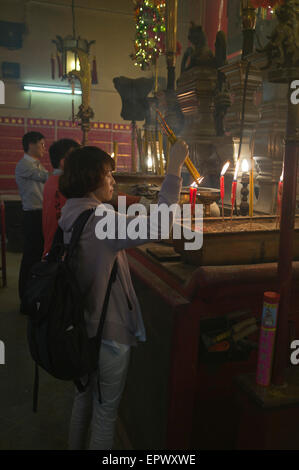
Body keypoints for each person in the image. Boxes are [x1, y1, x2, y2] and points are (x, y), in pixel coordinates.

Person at [58, 140, 188, 450]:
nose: (113, 181)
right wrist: (173, 170)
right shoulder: (101, 221)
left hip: (81, 328)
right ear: (92, 178)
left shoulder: (72, 214)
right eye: (108, 174)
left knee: (83, 399)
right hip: (107, 332)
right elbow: (159, 226)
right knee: (106, 415)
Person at [15, 131, 48, 313]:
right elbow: (47, 178)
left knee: (36, 257)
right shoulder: (25, 165)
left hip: (39, 214)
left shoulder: (36, 164)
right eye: (42, 144)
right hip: (32, 216)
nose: (44, 148)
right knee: (31, 258)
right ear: (31, 145)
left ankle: (32, 297)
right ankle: (25, 301)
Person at [42, 139, 80, 257]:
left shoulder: (52, 181)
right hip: (58, 253)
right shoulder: (65, 184)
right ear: (64, 162)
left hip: (52, 248)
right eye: (77, 158)